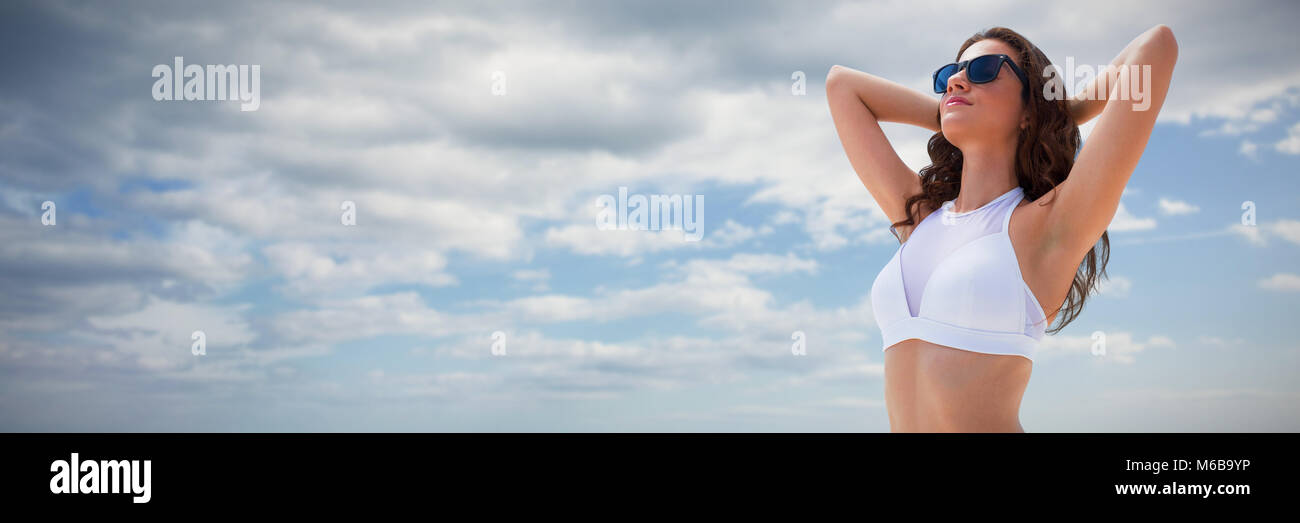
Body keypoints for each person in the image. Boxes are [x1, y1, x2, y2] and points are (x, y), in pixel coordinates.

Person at [825, 25, 1178, 432]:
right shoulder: (920, 217)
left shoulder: (1050, 224)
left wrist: (1063, 111)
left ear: (1029, 109)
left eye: (985, 70)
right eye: (949, 77)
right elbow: (841, 86)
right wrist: (952, 109)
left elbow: (1156, 48)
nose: (957, 80)